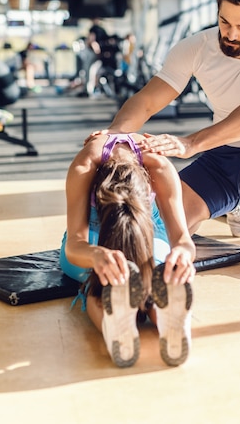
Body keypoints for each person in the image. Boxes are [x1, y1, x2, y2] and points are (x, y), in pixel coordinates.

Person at [88, 0, 240, 276]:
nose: (231, 34)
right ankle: (235, 201)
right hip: (221, 157)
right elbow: (147, 101)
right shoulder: (195, 48)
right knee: (156, 231)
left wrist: (190, 142)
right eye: (224, 21)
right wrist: (112, 136)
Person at [60, 131, 195, 368]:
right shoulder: (85, 166)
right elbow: (75, 244)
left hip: (145, 231)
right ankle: (158, 316)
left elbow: (183, 240)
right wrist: (96, 254)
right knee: (109, 270)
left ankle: (116, 321)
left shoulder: (159, 165)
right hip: (95, 233)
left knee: (96, 281)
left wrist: (183, 254)